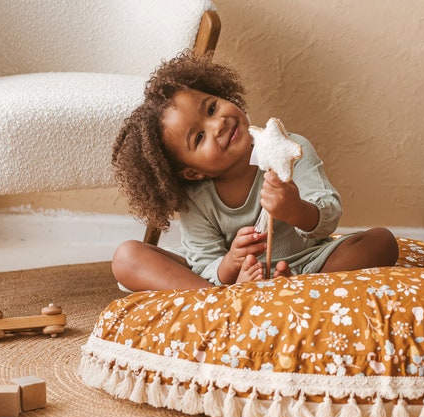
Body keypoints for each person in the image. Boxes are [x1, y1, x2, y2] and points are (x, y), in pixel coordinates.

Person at [111, 51, 399, 291]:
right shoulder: (196, 198)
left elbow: (329, 217)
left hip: (310, 263)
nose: (218, 124)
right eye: (198, 138)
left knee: (381, 241)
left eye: (211, 108)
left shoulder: (291, 148)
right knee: (127, 257)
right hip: (230, 282)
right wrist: (232, 265)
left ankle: (294, 289)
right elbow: (203, 263)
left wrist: (296, 208)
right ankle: (221, 302)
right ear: (192, 173)